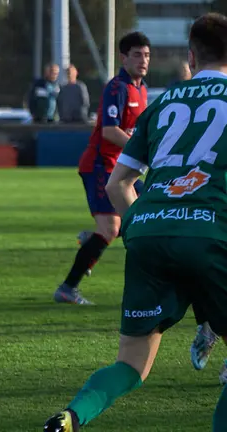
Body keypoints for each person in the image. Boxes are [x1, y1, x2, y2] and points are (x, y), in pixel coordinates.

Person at [45, 13, 227, 431]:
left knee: (131, 363)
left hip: (149, 228)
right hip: (211, 232)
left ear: (191, 56)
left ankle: (71, 417)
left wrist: (144, 225)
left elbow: (117, 186)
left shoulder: (162, 103)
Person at [53, 31, 150, 305]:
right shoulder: (117, 87)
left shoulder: (141, 89)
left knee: (144, 217)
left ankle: (92, 242)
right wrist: (143, 149)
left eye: (146, 55)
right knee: (111, 228)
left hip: (124, 169)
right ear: (123, 58)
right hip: (101, 166)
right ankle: (67, 289)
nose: (143, 61)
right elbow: (109, 131)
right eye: (137, 55)